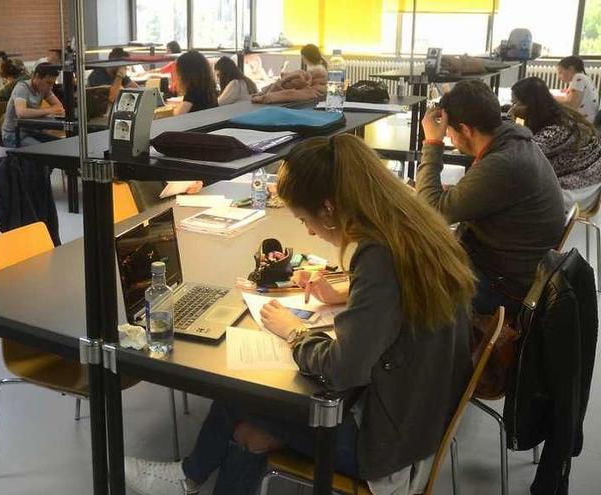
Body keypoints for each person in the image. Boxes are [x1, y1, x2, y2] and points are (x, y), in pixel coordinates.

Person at [125, 134, 475, 495]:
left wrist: (295, 332)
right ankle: (190, 477)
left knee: (238, 398)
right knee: (250, 433)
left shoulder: (378, 255)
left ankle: (186, 479)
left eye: (305, 219)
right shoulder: (415, 225)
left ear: (328, 208)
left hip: (386, 450)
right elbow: (399, 302)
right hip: (420, 422)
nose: (307, 230)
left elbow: (343, 370)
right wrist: (348, 291)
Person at [418, 79, 565, 315]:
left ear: (466, 129)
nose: (450, 139)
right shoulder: (513, 141)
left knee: (404, 272)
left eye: (449, 133)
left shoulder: (503, 163)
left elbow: (430, 212)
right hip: (516, 268)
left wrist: (432, 143)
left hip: (503, 287)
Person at [511, 77, 601, 210]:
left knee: (510, 197)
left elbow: (519, 155)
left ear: (530, 105)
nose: (513, 107)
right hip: (589, 182)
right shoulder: (560, 114)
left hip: (577, 192)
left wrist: (512, 120)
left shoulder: (556, 131)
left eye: (516, 103)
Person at [1, 63, 65, 148]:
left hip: (31, 131)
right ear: (37, 76)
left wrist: (50, 110)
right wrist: (49, 110)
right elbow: (21, 113)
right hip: (13, 134)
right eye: (48, 83)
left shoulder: (44, 88)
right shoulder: (22, 88)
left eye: (52, 84)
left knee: (61, 145)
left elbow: (59, 107)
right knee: (46, 150)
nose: (51, 87)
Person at [555, 56, 598, 124]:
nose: (559, 77)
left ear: (571, 69)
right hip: (585, 120)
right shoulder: (582, 77)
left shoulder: (578, 77)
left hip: (582, 123)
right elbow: (569, 98)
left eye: (560, 72)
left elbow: (571, 104)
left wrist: (551, 98)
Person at [174, 50, 218, 115]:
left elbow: (179, 114)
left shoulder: (193, 91)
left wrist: (173, 110)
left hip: (197, 124)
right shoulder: (210, 86)